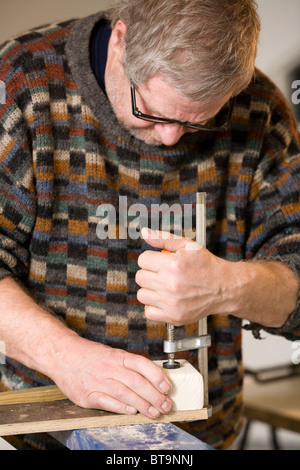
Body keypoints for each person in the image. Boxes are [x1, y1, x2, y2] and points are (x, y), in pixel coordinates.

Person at [0, 0, 299, 450]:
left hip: (202, 436)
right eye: (153, 112)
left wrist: (230, 286)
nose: (171, 139)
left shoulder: (262, 111)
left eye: (201, 122)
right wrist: (68, 359)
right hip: (43, 431)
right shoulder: (20, 83)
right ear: (120, 40)